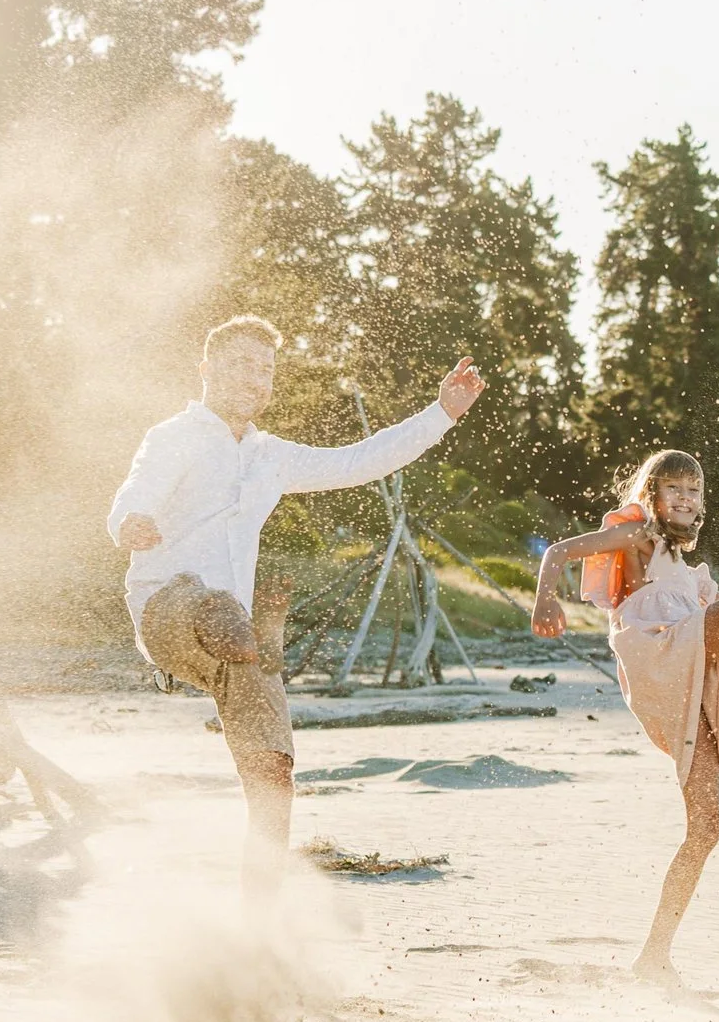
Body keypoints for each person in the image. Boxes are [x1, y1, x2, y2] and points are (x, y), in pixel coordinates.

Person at [108, 315, 485, 912]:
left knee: (275, 773)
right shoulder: (174, 435)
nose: (254, 379)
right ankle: (221, 651)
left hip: (236, 641)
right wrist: (130, 521)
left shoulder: (270, 456)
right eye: (239, 365)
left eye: (264, 370)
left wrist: (440, 415)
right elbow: (137, 489)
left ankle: (258, 927)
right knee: (229, 615)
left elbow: (358, 461)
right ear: (207, 371)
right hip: (167, 606)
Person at [532, 448, 719, 981]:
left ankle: (654, 956)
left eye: (694, 491)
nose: (686, 498)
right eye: (675, 489)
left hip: (693, 669)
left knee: (707, 826)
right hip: (656, 652)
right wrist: (545, 600)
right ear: (652, 496)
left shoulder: (693, 579)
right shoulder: (639, 537)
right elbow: (558, 551)